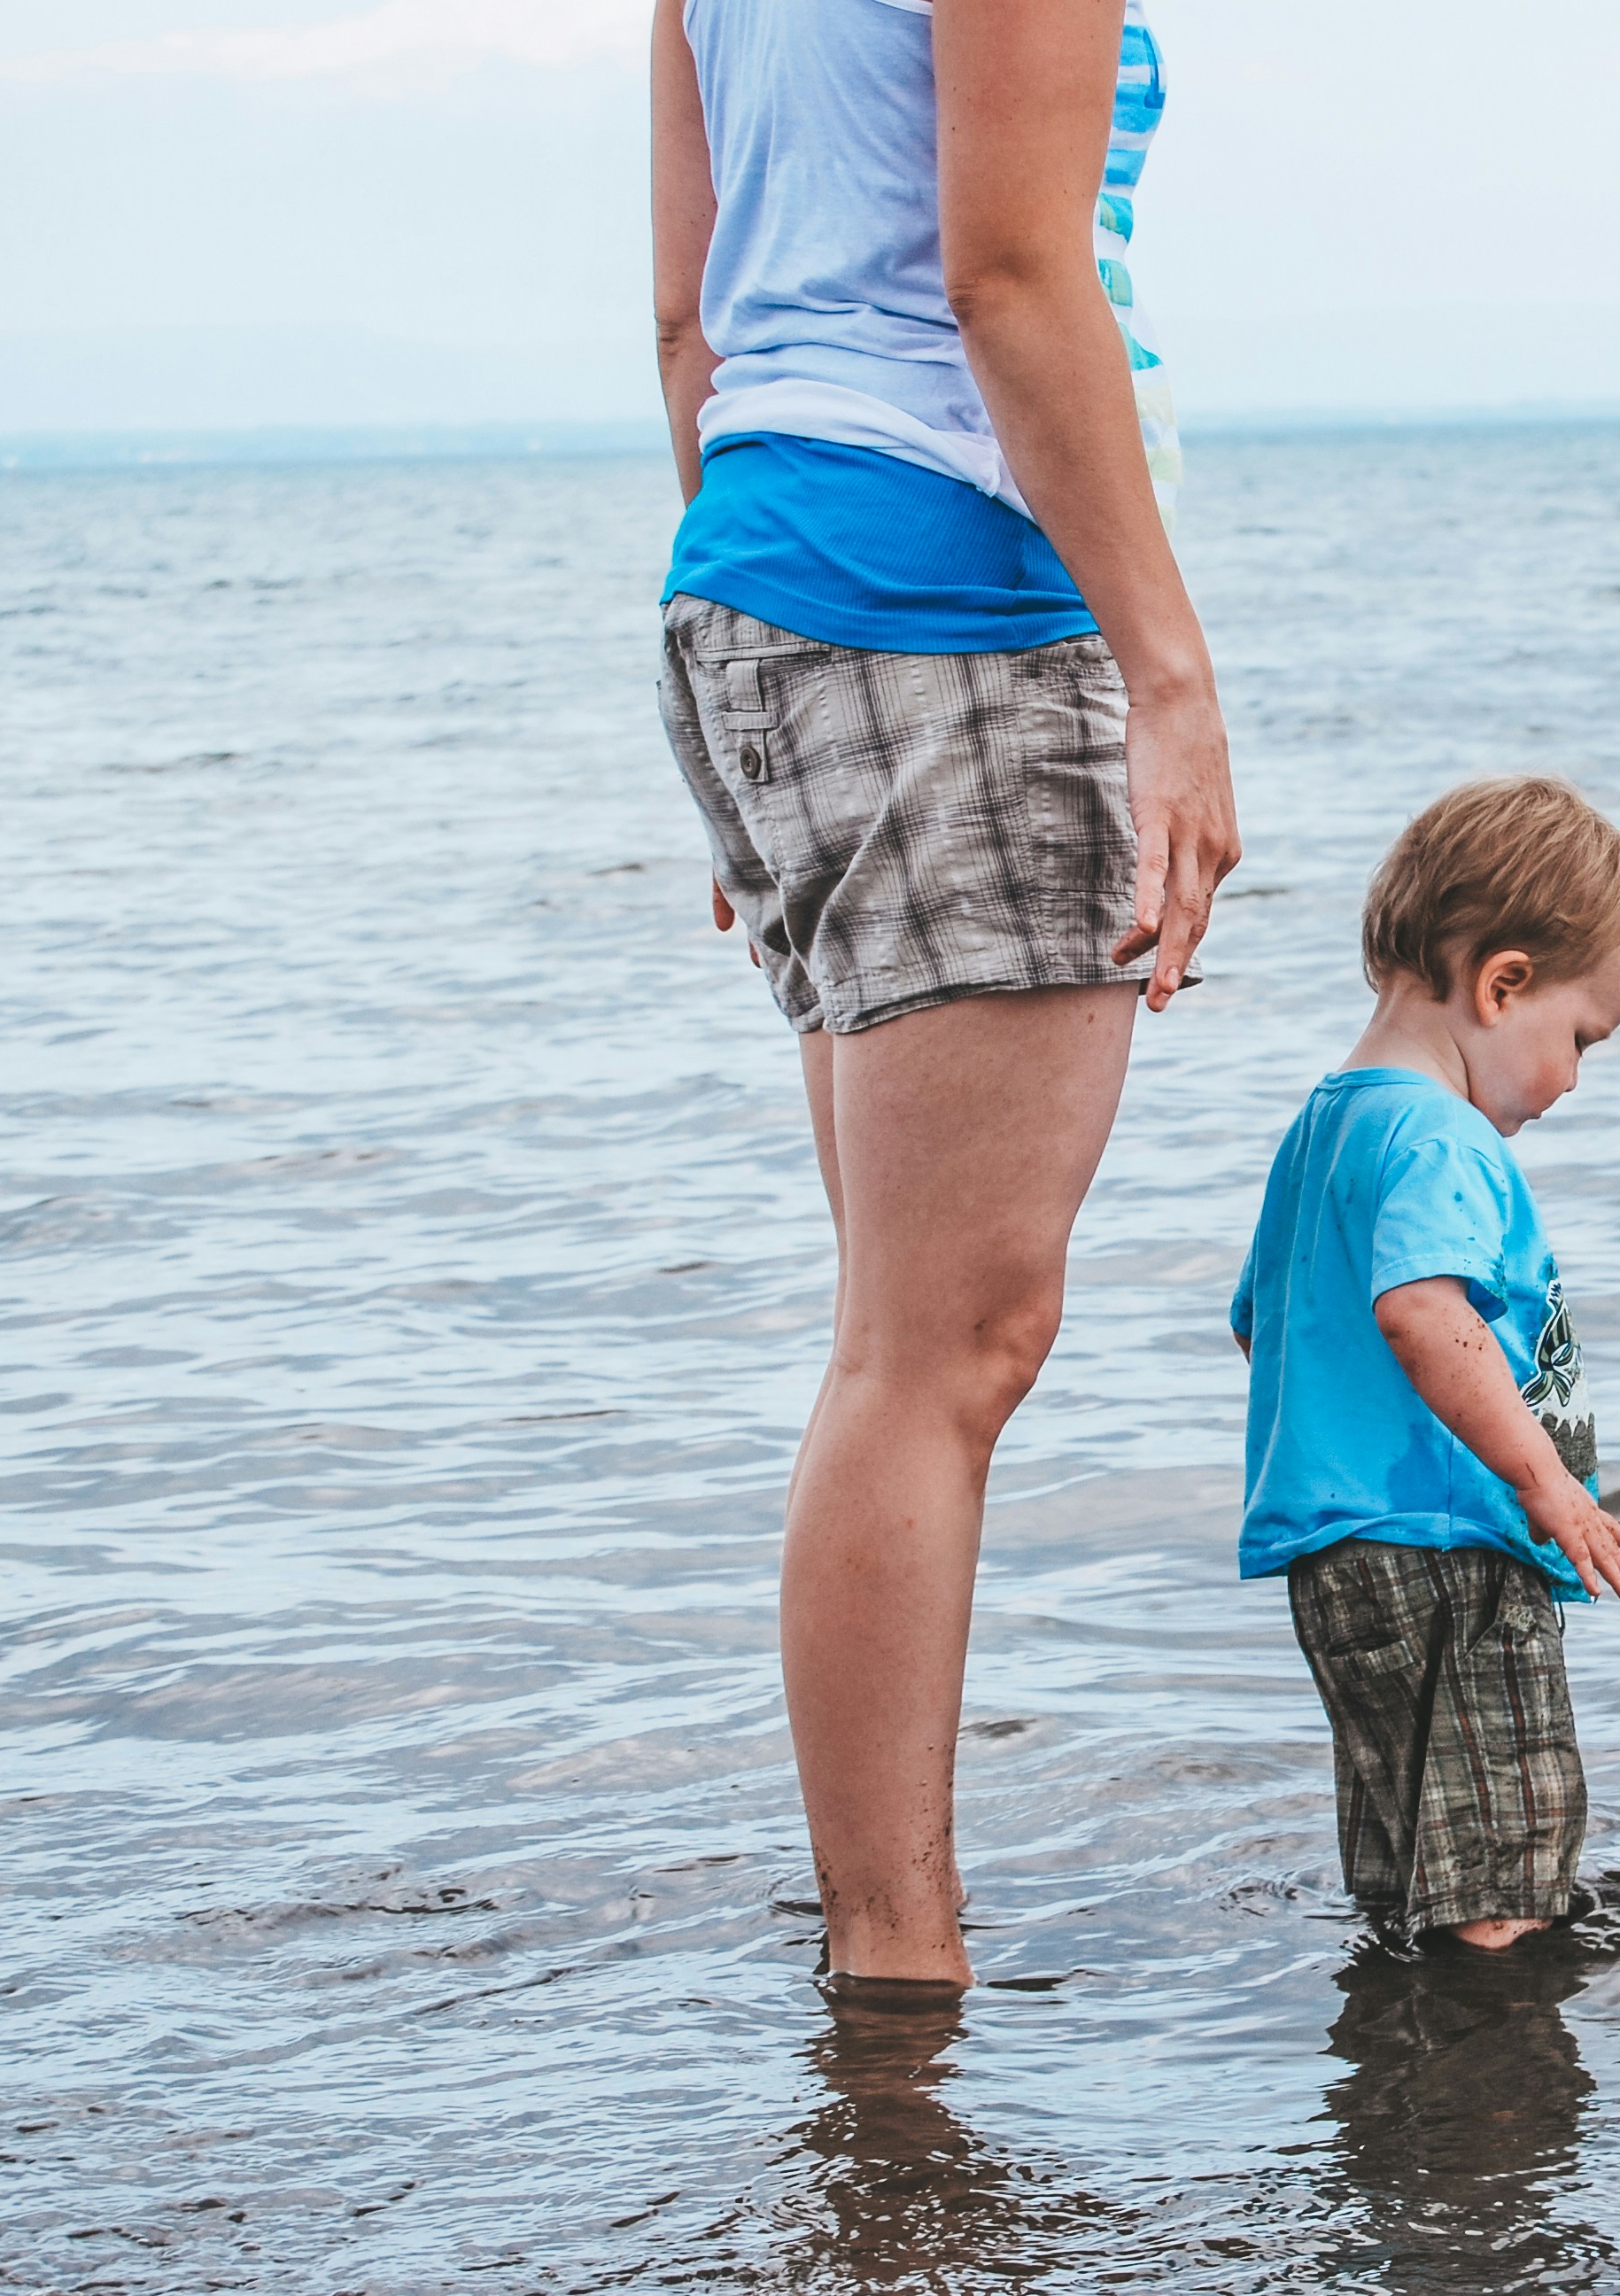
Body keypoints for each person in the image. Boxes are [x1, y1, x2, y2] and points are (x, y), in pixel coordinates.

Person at [647, 0, 1237, 1989]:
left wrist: (766, 705)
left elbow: (688, 319)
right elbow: (1006, 272)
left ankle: (884, 1965)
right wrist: (1169, 676)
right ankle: (898, 1976)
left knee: (898, 1348)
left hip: (762, 566)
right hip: (951, 590)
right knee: (945, 1352)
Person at [1230, 780, 1620, 1952]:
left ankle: (1397, 2084)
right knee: (1507, 1868)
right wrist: (1542, 1481)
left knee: (1411, 1846)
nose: (1572, 1080)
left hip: (1340, 1556)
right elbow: (1425, 1312)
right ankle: (1497, 2108)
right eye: (1581, 1040)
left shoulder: (1326, 1127)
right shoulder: (1439, 1135)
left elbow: (1261, 1325)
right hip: (1449, 1544)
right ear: (1502, 983)